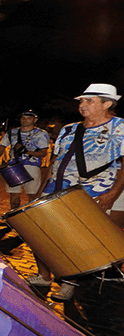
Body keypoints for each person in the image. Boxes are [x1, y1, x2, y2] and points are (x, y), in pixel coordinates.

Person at [28, 84, 124, 301]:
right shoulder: (69, 129)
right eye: (81, 100)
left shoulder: (120, 127)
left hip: (96, 189)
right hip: (56, 188)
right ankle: (44, 276)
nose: (82, 105)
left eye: (89, 100)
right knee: (37, 231)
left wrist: (113, 194)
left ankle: (69, 282)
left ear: (107, 104)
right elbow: (55, 161)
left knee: (78, 239)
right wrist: (40, 191)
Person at [0, 110, 50, 210]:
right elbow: (2, 146)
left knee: (32, 195)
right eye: (23, 118)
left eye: (29, 118)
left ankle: (33, 215)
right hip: (13, 165)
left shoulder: (41, 133)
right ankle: (14, 214)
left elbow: (43, 153)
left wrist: (26, 152)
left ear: (35, 120)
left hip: (31, 166)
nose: (25, 120)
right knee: (13, 195)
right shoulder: (12, 132)